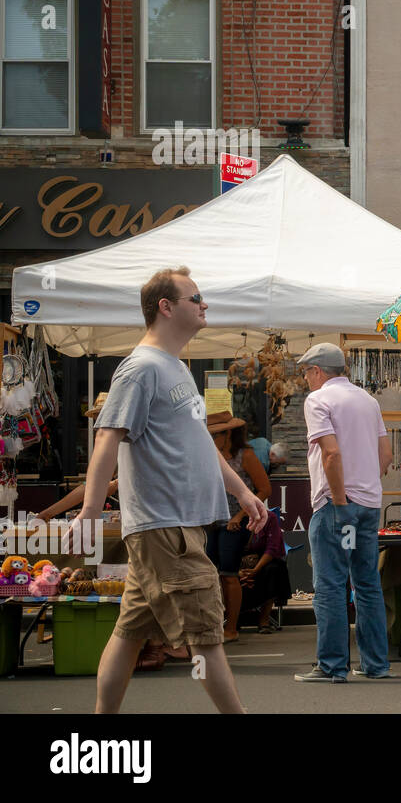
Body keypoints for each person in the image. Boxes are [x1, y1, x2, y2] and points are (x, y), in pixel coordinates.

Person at [69, 266, 268, 714]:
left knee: (129, 633)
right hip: (167, 529)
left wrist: (242, 491)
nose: (204, 305)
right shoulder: (139, 369)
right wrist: (89, 509)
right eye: (196, 298)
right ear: (166, 306)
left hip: (173, 527)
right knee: (207, 639)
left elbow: (201, 441)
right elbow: (107, 437)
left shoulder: (174, 366)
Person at [293, 342, 393, 682]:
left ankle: (333, 666)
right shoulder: (368, 400)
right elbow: (386, 454)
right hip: (368, 503)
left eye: (307, 371)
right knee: (367, 584)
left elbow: (331, 455)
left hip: (337, 504)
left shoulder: (318, 400)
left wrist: (338, 501)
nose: (306, 378)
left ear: (318, 371)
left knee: (331, 585)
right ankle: (375, 664)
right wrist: (366, 485)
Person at [207, 412, 272, 643]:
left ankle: (232, 627)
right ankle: (217, 622)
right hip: (211, 520)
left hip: (236, 522)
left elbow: (264, 489)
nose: (211, 439)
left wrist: (239, 515)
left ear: (228, 434)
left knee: (228, 573)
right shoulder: (207, 454)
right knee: (209, 573)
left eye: (215, 435)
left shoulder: (245, 455)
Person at [238, 508, 291, 633]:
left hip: (263, 561)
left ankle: (264, 619)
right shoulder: (233, 520)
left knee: (274, 570)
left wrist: (255, 570)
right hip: (238, 563)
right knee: (226, 573)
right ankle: (233, 619)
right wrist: (239, 571)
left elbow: (272, 548)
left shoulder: (269, 517)